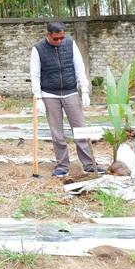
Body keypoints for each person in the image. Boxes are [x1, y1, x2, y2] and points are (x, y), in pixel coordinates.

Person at [30, 21, 102, 177]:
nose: (59, 41)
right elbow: (35, 74)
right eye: (56, 38)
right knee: (57, 133)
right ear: (48, 35)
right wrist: (38, 96)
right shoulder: (38, 49)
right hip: (49, 94)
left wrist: (84, 90)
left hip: (70, 92)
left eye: (62, 37)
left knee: (80, 129)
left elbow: (79, 67)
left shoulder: (70, 44)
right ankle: (62, 165)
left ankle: (89, 164)